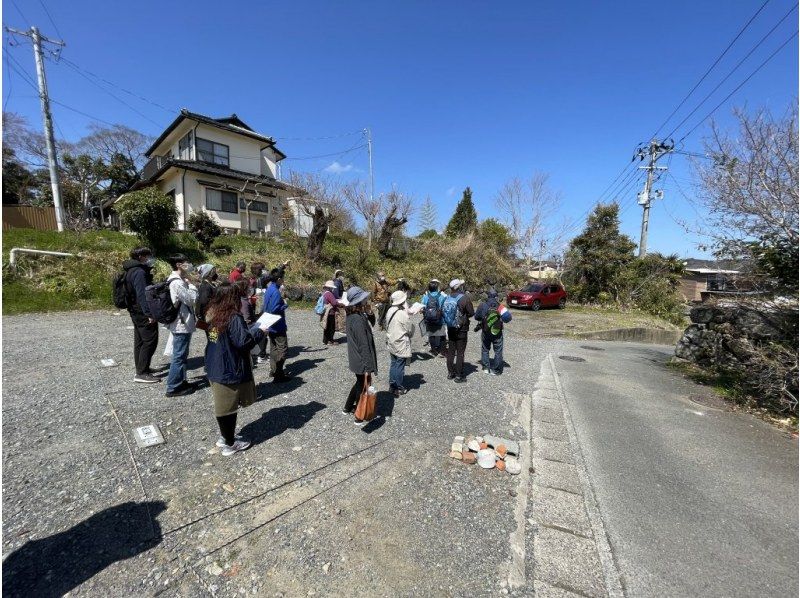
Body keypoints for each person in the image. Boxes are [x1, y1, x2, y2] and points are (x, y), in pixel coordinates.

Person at [204, 283, 272, 456]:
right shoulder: (233, 317)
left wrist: (249, 330)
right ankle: (230, 443)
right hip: (228, 368)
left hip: (214, 364)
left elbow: (219, 338)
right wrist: (260, 332)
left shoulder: (213, 314)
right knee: (228, 407)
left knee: (223, 405)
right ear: (232, 298)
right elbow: (243, 343)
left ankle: (225, 436)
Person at [123, 247, 160, 383]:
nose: (150, 259)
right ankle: (142, 373)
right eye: (148, 256)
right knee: (150, 340)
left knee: (139, 340)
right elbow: (142, 294)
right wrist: (149, 313)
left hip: (134, 310)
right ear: (141, 257)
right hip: (141, 311)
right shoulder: (139, 272)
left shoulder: (130, 269)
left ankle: (142, 367)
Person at [165, 254, 199, 397]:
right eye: (186, 262)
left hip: (183, 321)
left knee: (182, 354)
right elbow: (191, 300)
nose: (189, 265)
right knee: (179, 356)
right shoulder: (176, 282)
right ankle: (173, 387)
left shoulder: (179, 280)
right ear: (179, 265)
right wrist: (192, 285)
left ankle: (181, 380)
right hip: (181, 323)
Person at [343, 286, 377, 425]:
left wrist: (370, 314)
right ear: (359, 301)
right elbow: (363, 344)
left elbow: (372, 324)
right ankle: (359, 414)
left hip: (356, 357)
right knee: (364, 385)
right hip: (361, 359)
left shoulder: (355, 314)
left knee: (359, 383)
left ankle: (347, 407)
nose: (366, 300)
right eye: (364, 298)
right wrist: (368, 366)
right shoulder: (356, 319)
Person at [443, 279, 475, 383]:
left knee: (451, 351)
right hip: (461, 328)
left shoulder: (447, 298)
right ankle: (458, 376)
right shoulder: (464, 298)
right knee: (460, 352)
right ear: (459, 287)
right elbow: (471, 313)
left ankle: (450, 373)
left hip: (450, 327)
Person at [474, 290, 512, 375]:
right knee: (498, 350)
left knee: (485, 349)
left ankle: (486, 368)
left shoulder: (483, 305)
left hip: (485, 331)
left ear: (487, 296)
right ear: (496, 297)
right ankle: (496, 370)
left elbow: (476, 317)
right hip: (497, 331)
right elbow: (508, 318)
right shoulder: (500, 306)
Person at [385, 290, 415, 396]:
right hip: (400, 341)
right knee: (399, 364)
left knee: (394, 363)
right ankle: (399, 387)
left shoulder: (390, 310)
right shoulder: (402, 314)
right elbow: (409, 329)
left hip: (391, 340)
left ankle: (392, 385)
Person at [263, 267, 290, 382]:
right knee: (282, 348)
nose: (284, 280)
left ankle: (273, 370)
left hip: (269, 323)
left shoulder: (270, 288)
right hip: (277, 324)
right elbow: (274, 309)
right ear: (279, 279)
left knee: (273, 347)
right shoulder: (275, 291)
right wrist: (284, 304)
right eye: (283, 278)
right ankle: (278, 373)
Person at [420, 279, 447, 357]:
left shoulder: (425, 296)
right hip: (440, 319)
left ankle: (434, 351)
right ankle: (442, 351)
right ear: (437, 288)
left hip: (429, 319)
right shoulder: (441, 296)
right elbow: (444, 307)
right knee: (442, 335)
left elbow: (422, 308)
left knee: (431, 335)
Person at [195, 263, 218, 329]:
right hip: (209, 316)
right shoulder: (205, 286)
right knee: (213, 337)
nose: (214, 272)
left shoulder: (210, 284)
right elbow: (203, 302)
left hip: (213, 314)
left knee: (215, 336)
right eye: (213, 270)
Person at [321, 280, 342, 346]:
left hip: (326, 312)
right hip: (330, 312)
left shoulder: (324, 293)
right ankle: (330, 340)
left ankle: (325, 340)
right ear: (330, 287)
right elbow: (334, 303)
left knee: (326, 327)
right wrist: (340, 303)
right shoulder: (329, 294)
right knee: (331, 327)